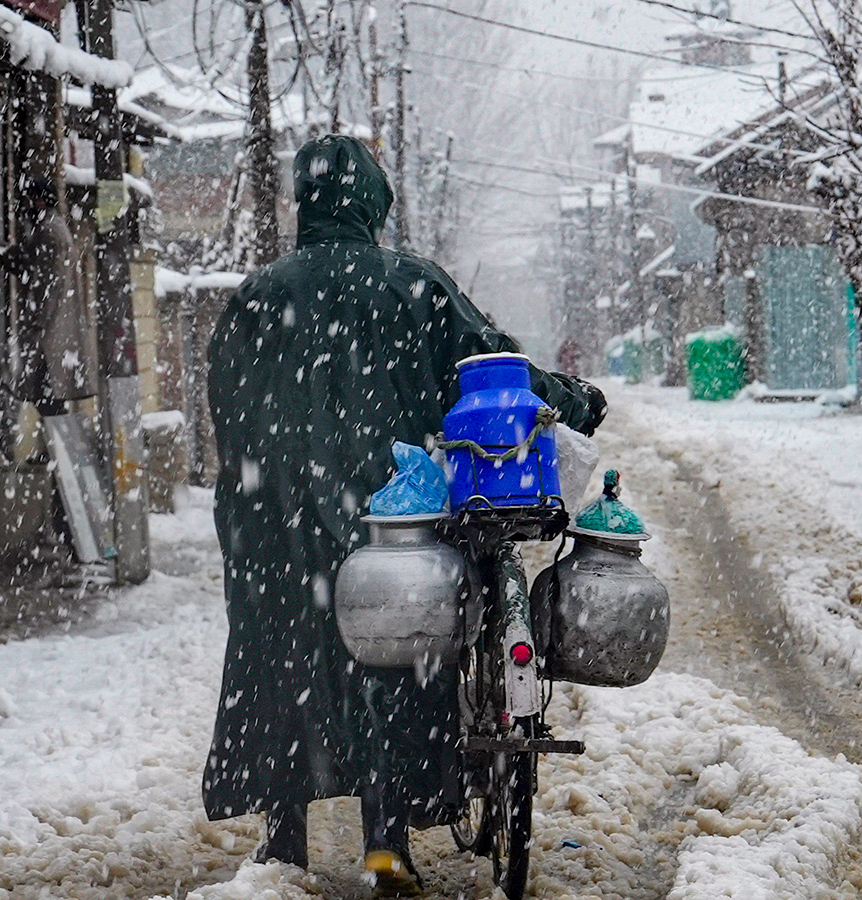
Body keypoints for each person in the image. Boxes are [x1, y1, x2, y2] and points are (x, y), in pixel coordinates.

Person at [204, 134, 606, 895]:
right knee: (394, 658)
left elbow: (225, 412)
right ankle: (386, 841)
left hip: (270, 523)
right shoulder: (410, 285)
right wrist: (575, 400)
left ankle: (283, 840)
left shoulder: (256, 295)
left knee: (283, 661)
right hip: (390, 518)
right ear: (370, 203)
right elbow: (497, 375)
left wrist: (263, 487)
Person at [0, 178, 97, 417]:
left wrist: (39, 321)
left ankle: (55, 450)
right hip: (54, 330)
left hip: (51, 331)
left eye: (30, 200)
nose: (26, 206)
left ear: (40, 202)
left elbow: (47, 281)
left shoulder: (50, 232)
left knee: (46, 396)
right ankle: (53, 449)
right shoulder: (52, 228)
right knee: (46, 396)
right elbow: (30, 266)